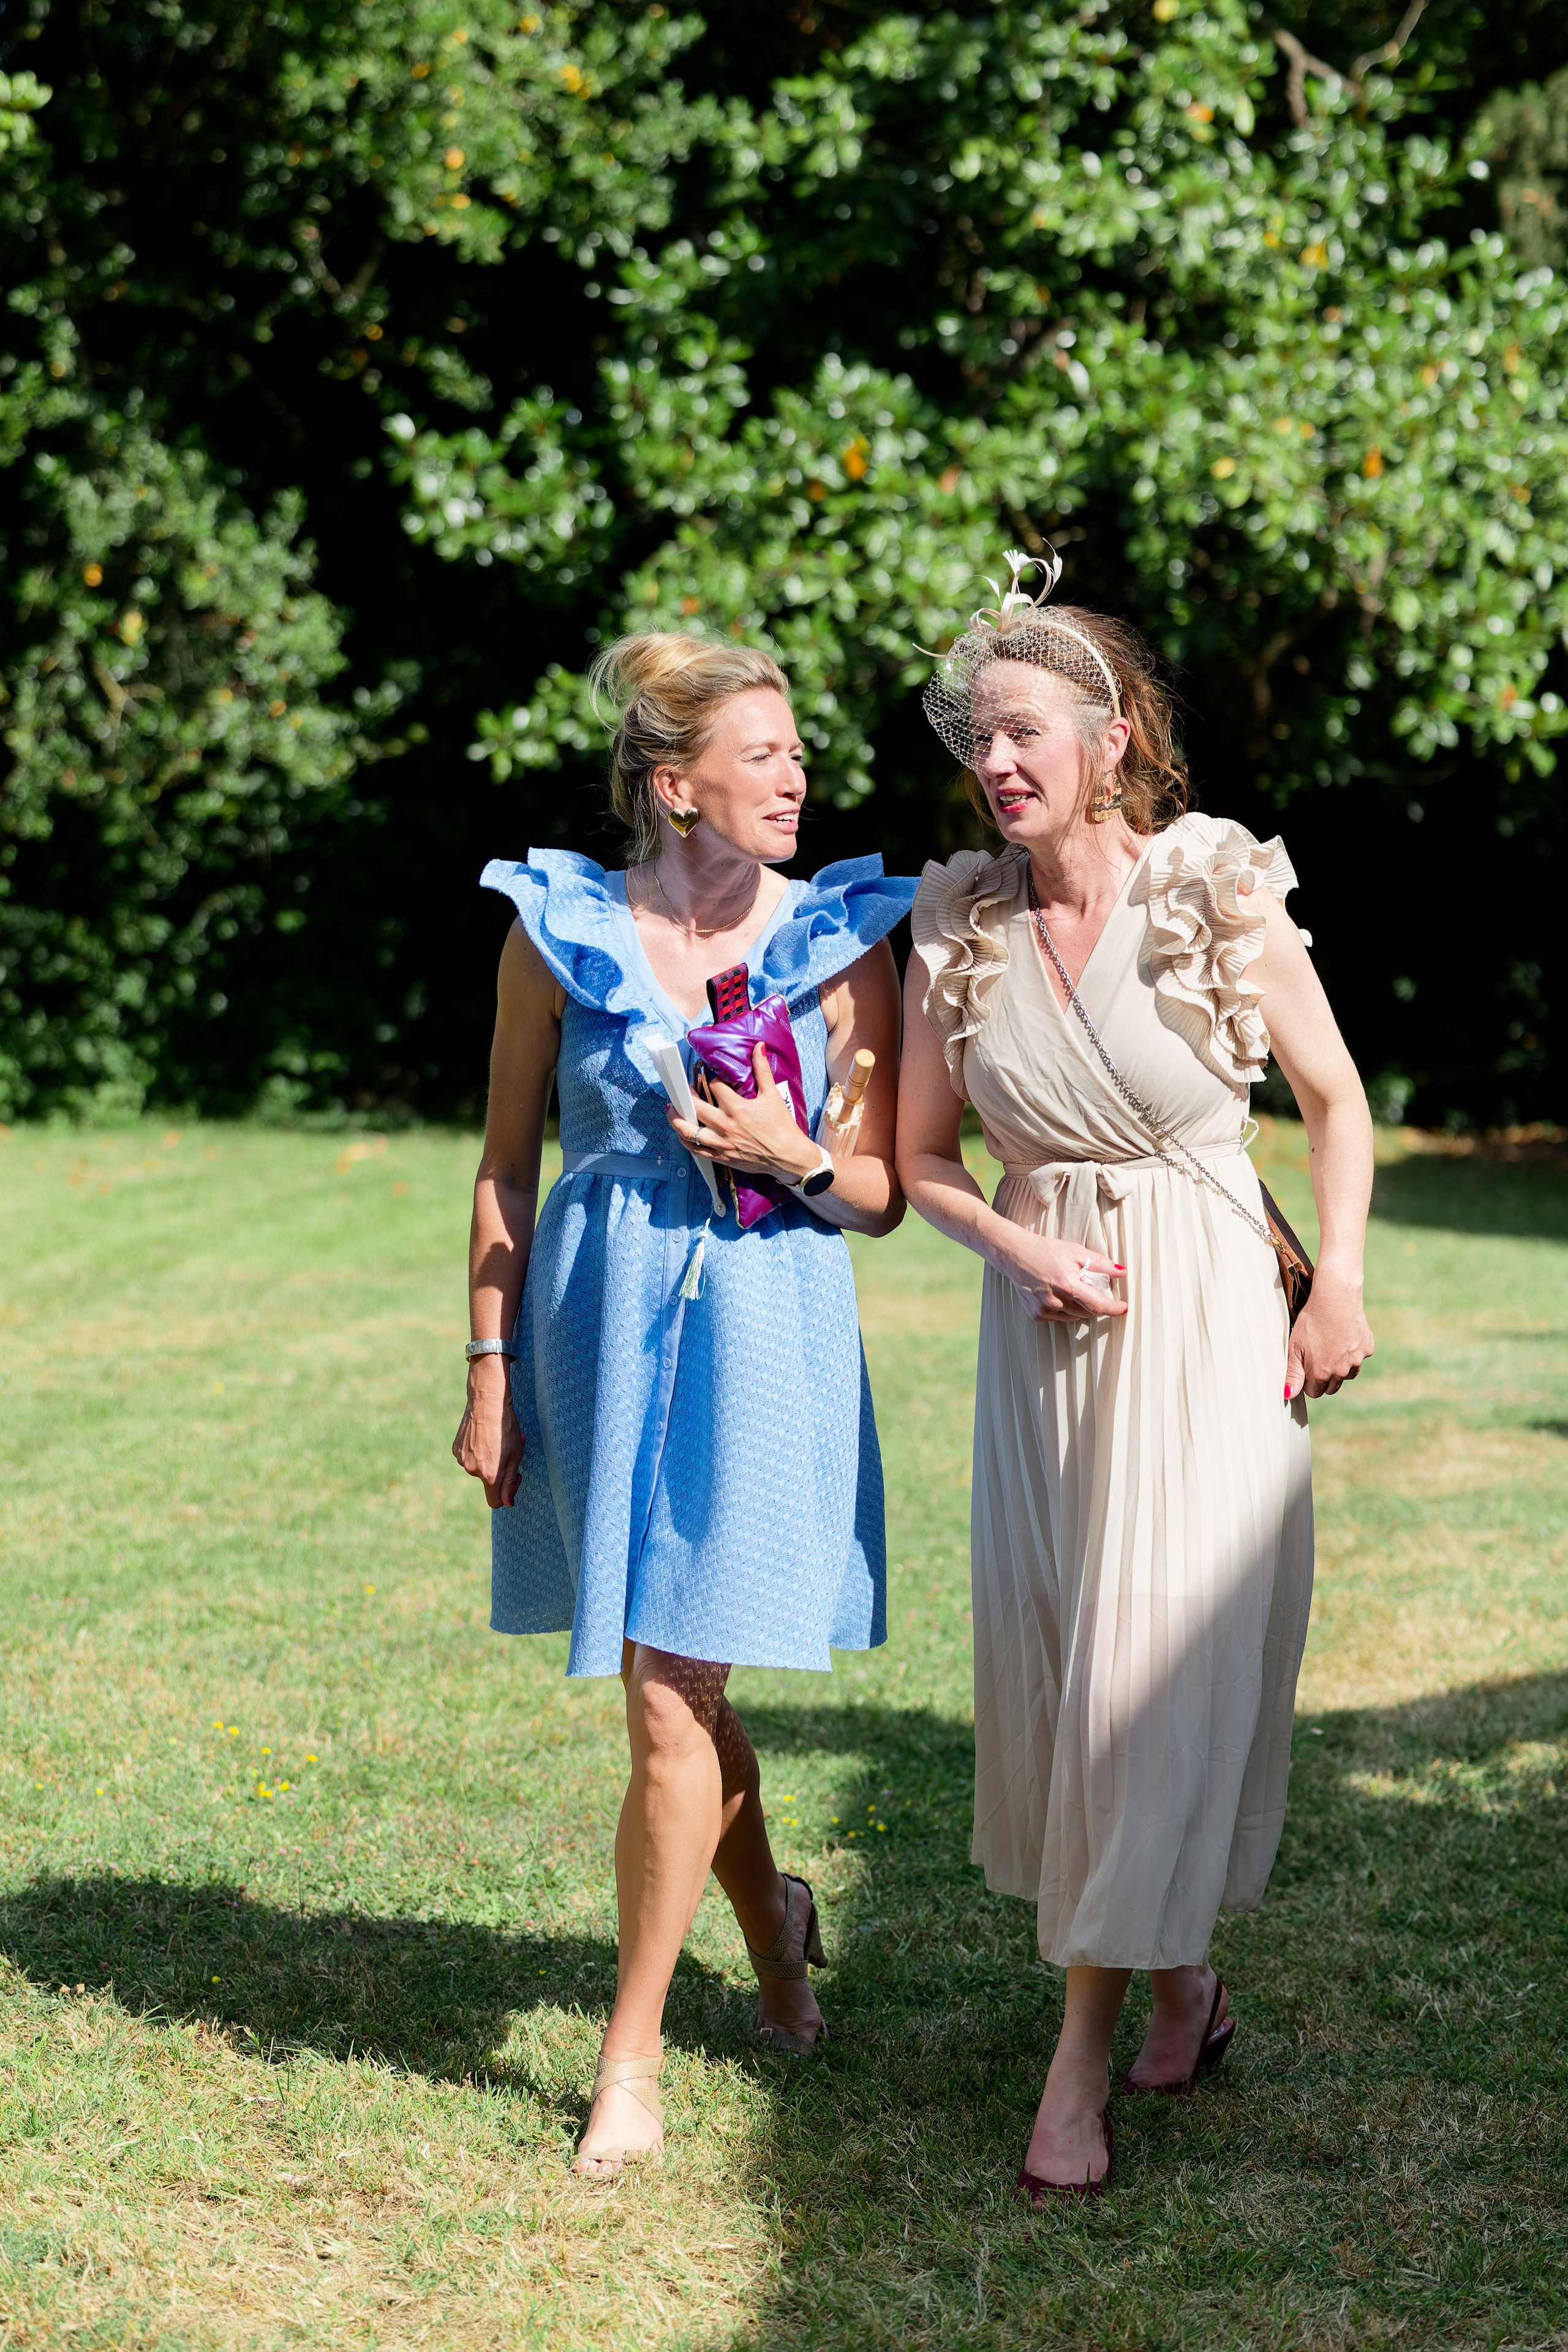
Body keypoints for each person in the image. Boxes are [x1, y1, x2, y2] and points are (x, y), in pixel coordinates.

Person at [895, 552, 1374, 2201]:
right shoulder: (957, 919)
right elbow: (923, 1160)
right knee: (1059, 1673)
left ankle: (1075, 2075)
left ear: (1106, 740)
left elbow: (1334, 1103)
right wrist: (1020, 1250)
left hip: (1208, 1327)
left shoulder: (1213, 887)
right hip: (1042, 1344)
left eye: (1028, 733)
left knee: (1136, 1689)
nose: (1000, 766)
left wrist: (1342, 1288)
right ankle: (1188, 1986)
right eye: (981, 742)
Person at [453, 633, 914, 2178]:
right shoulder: (556, 932)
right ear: (676, 786)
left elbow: (879, 1191)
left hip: (765, 1326)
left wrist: (788, 1146)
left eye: (796, 753)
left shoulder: (841, 942)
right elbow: (506, 1166)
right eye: (766, 755)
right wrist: (489, 1369)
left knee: (667, 1700)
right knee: (684, 1700)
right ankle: (776, 1940)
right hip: (597, 1329)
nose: (796, 778)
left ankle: (629, 2059)